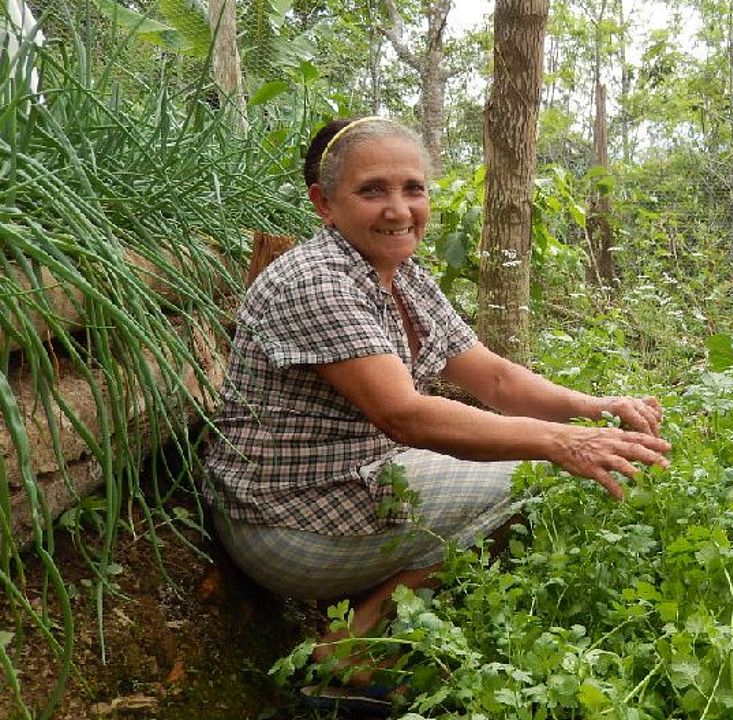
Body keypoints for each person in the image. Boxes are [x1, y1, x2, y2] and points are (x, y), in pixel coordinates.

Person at [202, 115, 670, 684]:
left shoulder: (401, 273)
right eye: (372, 190)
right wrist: (560, 441)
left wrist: (596, 408)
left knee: (527, 464)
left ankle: (374, 619)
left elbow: (494, 378)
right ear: (324, 203)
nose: (399, 209)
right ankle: (354, 646)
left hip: (353, 482)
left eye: (412, 188)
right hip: (285, 521)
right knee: (532, 478)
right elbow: (405, 415)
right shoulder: (317, 280)